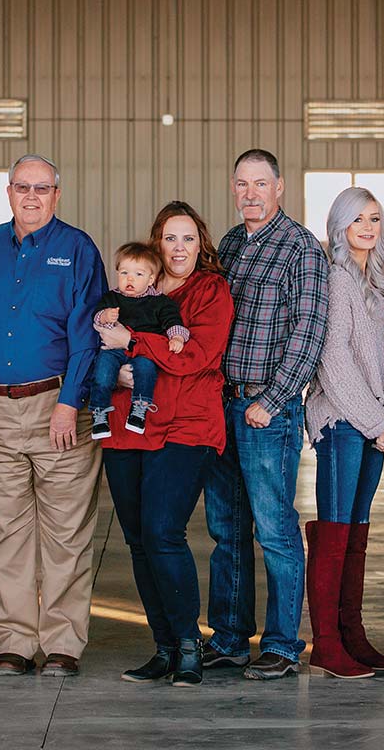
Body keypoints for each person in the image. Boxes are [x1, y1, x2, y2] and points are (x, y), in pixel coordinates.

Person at [0, 154, 106, 677]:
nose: (32, 196)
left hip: (58, 406)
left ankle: (63, 642)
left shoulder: (77, 249)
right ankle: (13, 643)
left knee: (66, 531)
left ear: (57, 194)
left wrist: (71, 402)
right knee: (3, 532)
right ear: (9, 192)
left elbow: (87, 332)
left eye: (42, 188)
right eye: (22, 187)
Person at [203, 148, 329, 680]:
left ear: (280, 187)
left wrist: (270, 401)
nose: (250, 193)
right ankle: (231, 637)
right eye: (241, 184)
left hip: (264, 411)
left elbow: (309, 333)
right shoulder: (229, 244)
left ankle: (281, 642)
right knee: (225, 528)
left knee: (274, 528)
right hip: (221, 403)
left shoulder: (301, 248)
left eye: (260, 184)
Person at [97, 201, 233, 687]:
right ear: (158, 243)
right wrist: (120, 354)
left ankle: (190, 645)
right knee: (136, 539)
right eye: (170, 238)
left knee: (161, 531)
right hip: (128, 427)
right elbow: (100, 341)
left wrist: (131, 343)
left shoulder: (212, 291)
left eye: (189, 238)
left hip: (187, 426)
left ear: (201, 244)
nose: (179, 248)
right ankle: (164, 648)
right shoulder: (130, 290)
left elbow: (197, 354)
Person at [303, 187, 384, 679]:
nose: (367, 226)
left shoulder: (378, 286)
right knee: (337, 529)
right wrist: (376, 419)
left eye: (375, 218)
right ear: (339, 225)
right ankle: (325, 643)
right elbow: (334, 361)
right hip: (341, 423)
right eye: (357, 218)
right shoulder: (334, 279)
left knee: (357, 532)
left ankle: (353, 636)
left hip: (373, 426)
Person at [89, 242, 192, 438]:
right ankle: (99, 412)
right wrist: (104, 316)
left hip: (143, 350)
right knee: (102, 372)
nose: (130, 279)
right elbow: (96, 317)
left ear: (151, 279)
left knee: (146, 369)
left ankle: (140, 408)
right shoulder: (112, 298)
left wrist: (177, 336)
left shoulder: (160, 302)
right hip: (113, 350)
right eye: (124, 273)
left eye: (138, 274)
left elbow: (172, 321)